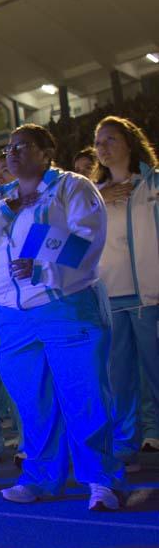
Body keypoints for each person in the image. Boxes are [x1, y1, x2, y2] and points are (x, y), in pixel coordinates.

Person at [0, 123, 125, 510]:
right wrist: (6, 208)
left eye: (22, 146)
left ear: (46, 151)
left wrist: (45, 270)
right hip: (14, 316)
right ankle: (41, 476)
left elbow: (89, 242)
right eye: (9, 147)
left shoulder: (72, 188)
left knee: (83, 396)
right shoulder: (1, 197)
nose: (12, 153)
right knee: (31, 401)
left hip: (66, 304)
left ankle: (101, 480)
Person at [92, 116, 159, 470]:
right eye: (99, 142)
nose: (103, 147)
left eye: (111, 139)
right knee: (119, 380)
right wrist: (99, 199)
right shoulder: (91, 196)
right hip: (112, 298)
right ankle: (124, 443)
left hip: (151, 297)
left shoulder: (153, 185)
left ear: (130, 143)